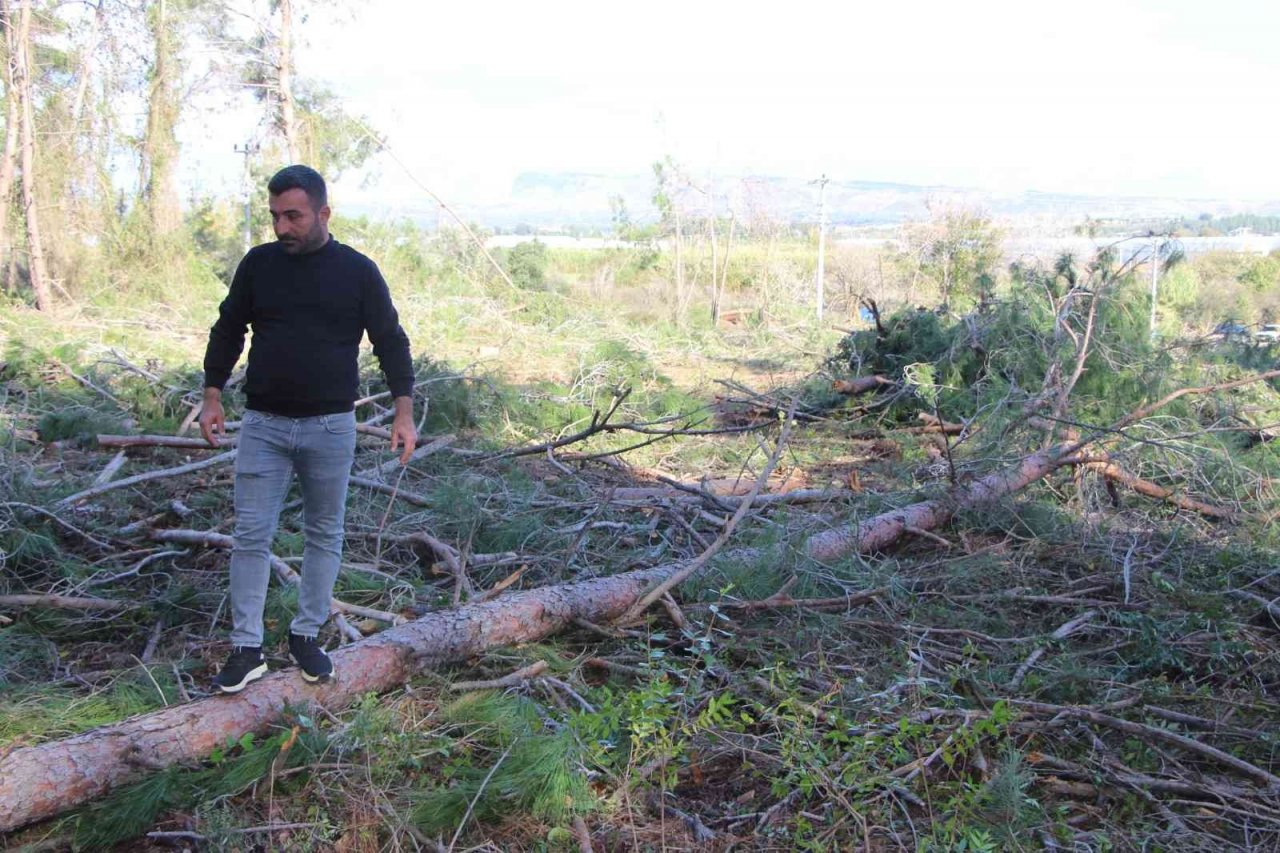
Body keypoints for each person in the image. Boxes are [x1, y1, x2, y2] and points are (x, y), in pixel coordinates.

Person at [199, 165, 417, 693]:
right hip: (264, 426)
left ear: (323, 213)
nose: (282, 227)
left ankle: (306, 636)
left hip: (330, 428)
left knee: (324, 532)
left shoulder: (358, 272)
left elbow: (390, 340)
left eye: (293, 216)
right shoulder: (259, 265)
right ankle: (246, 648)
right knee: (251, 536)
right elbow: (228, 329)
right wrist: (212, 395)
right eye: (275, 216)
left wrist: (404, 411)